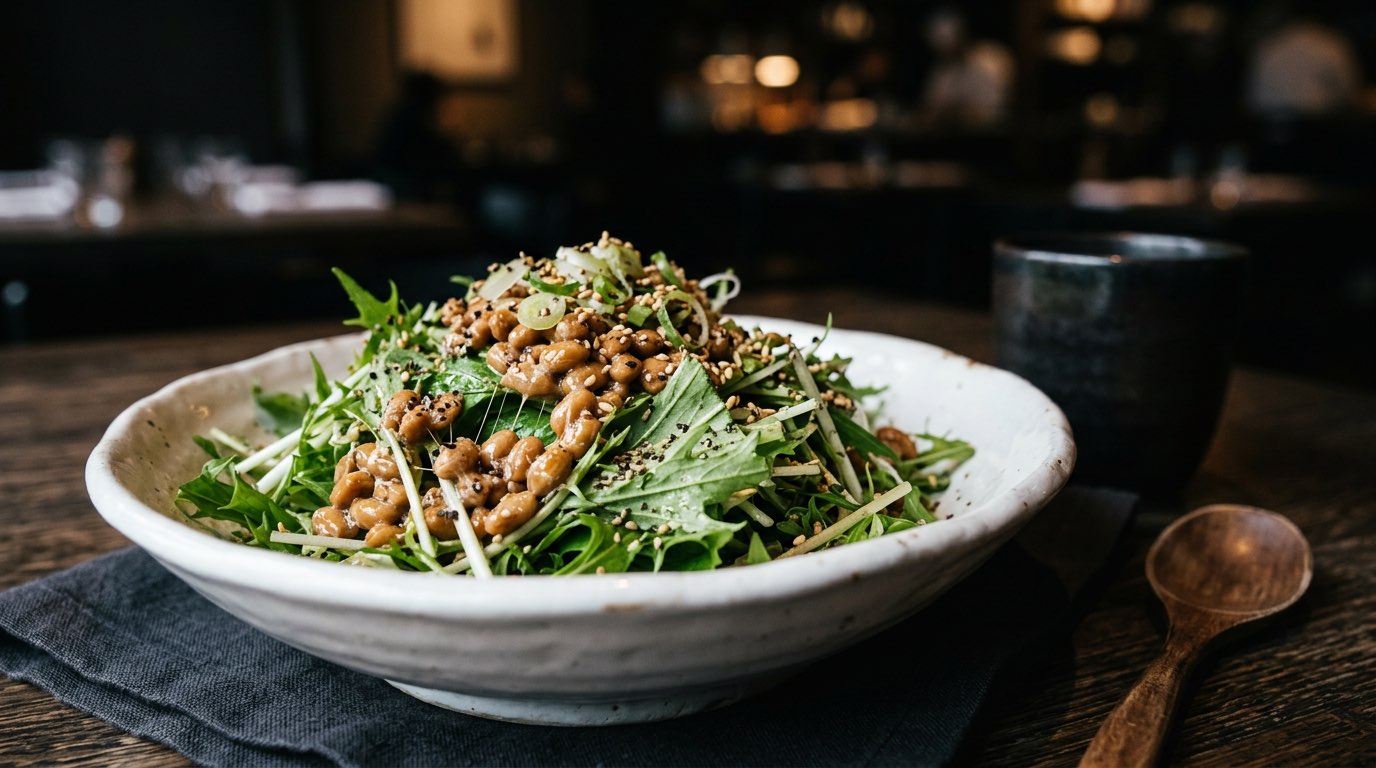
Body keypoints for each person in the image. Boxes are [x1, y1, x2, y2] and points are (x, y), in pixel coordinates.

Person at [371, 70, 464, 203]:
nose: (440, 102)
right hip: (397, 186)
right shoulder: (408, 119)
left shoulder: (404, 116)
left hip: (394, 182)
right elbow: (428, 150)